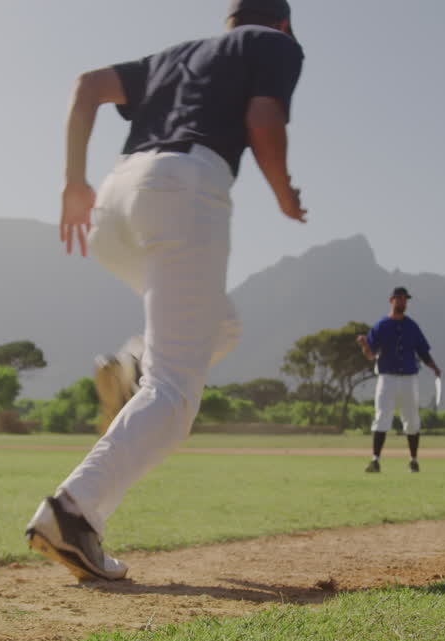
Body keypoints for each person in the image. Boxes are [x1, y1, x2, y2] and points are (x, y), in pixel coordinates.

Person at [24, 0, 306, 581]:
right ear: (281, 21)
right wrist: (283, 192)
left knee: (220, 324)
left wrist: (73, 181)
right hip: (183, 188)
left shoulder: (178, 55)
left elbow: (86, 85)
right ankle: (72, 513)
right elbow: (262, 120)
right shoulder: (275, 44)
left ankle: (131, 362)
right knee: (175, 390)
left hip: (115, 200)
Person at [356, 287, 442, 473]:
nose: (403, 302)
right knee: (382, 417)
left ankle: (413, 460)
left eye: (405, 299)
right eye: (399, 299)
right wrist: (364, 345)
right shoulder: (381, 325)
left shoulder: (412, 326)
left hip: (409, 378)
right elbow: (370, 355)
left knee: (411, 419)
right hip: (387, 378)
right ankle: (375, 460)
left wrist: (434, 367)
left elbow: (423, 351)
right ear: (391, 300)